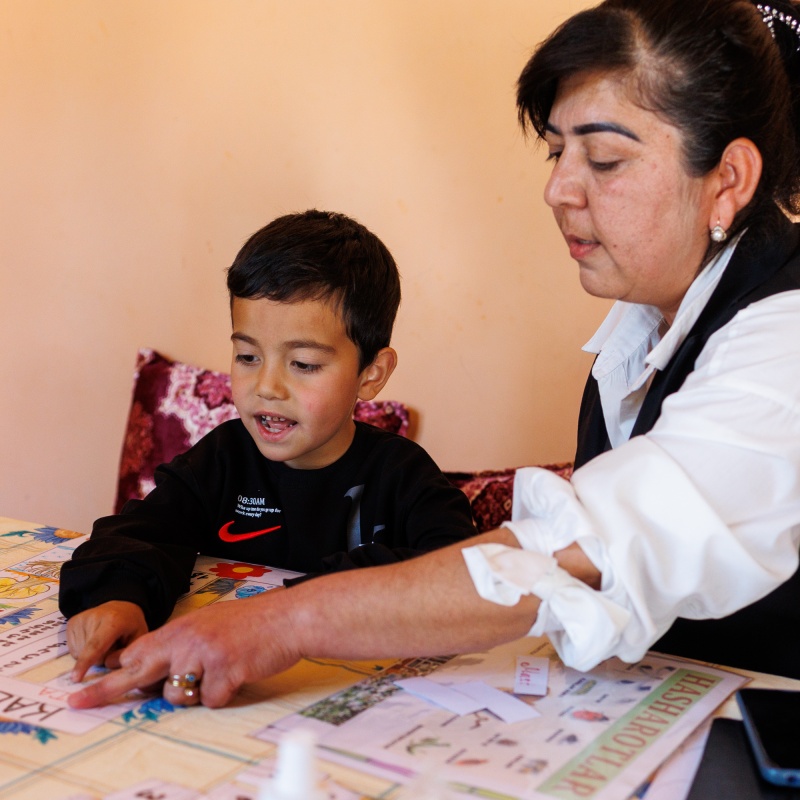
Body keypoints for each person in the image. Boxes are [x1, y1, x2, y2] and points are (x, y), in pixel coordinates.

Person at [67, 0, 800, 711]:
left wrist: (278, 622)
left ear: (727, 180)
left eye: (604, 159)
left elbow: (590, 550)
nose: (556, 189)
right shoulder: (640, 325)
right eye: (555, 151)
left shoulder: (783, 342)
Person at [59, 209, 477, 685]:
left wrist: (296, 610)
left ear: (371, 373)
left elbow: (459, 574)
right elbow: (140, 531)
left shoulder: (402, 476)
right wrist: (118, 597)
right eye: (247, 356)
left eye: (302, 363)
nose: (267, 386)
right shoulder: (223, 458)